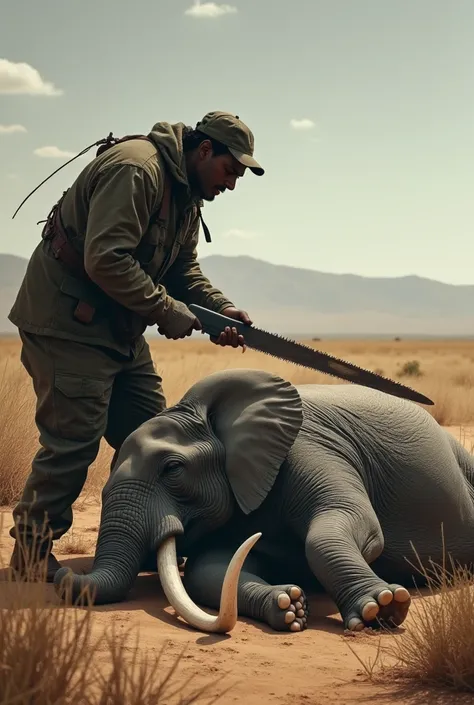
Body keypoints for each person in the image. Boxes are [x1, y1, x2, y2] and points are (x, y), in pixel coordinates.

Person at [7, 110, 264, 580]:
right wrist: (165, 311)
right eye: (231, 171)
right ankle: (30, 554)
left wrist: (219, 310)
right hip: (67, 323)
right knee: (73, 442)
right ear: (204, 150)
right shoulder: (138, 170)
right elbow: (105, 258)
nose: (232, 185)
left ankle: (137, 539)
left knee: (152, 440)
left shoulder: (186, 197)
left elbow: (182, 272)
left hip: (117, 328)